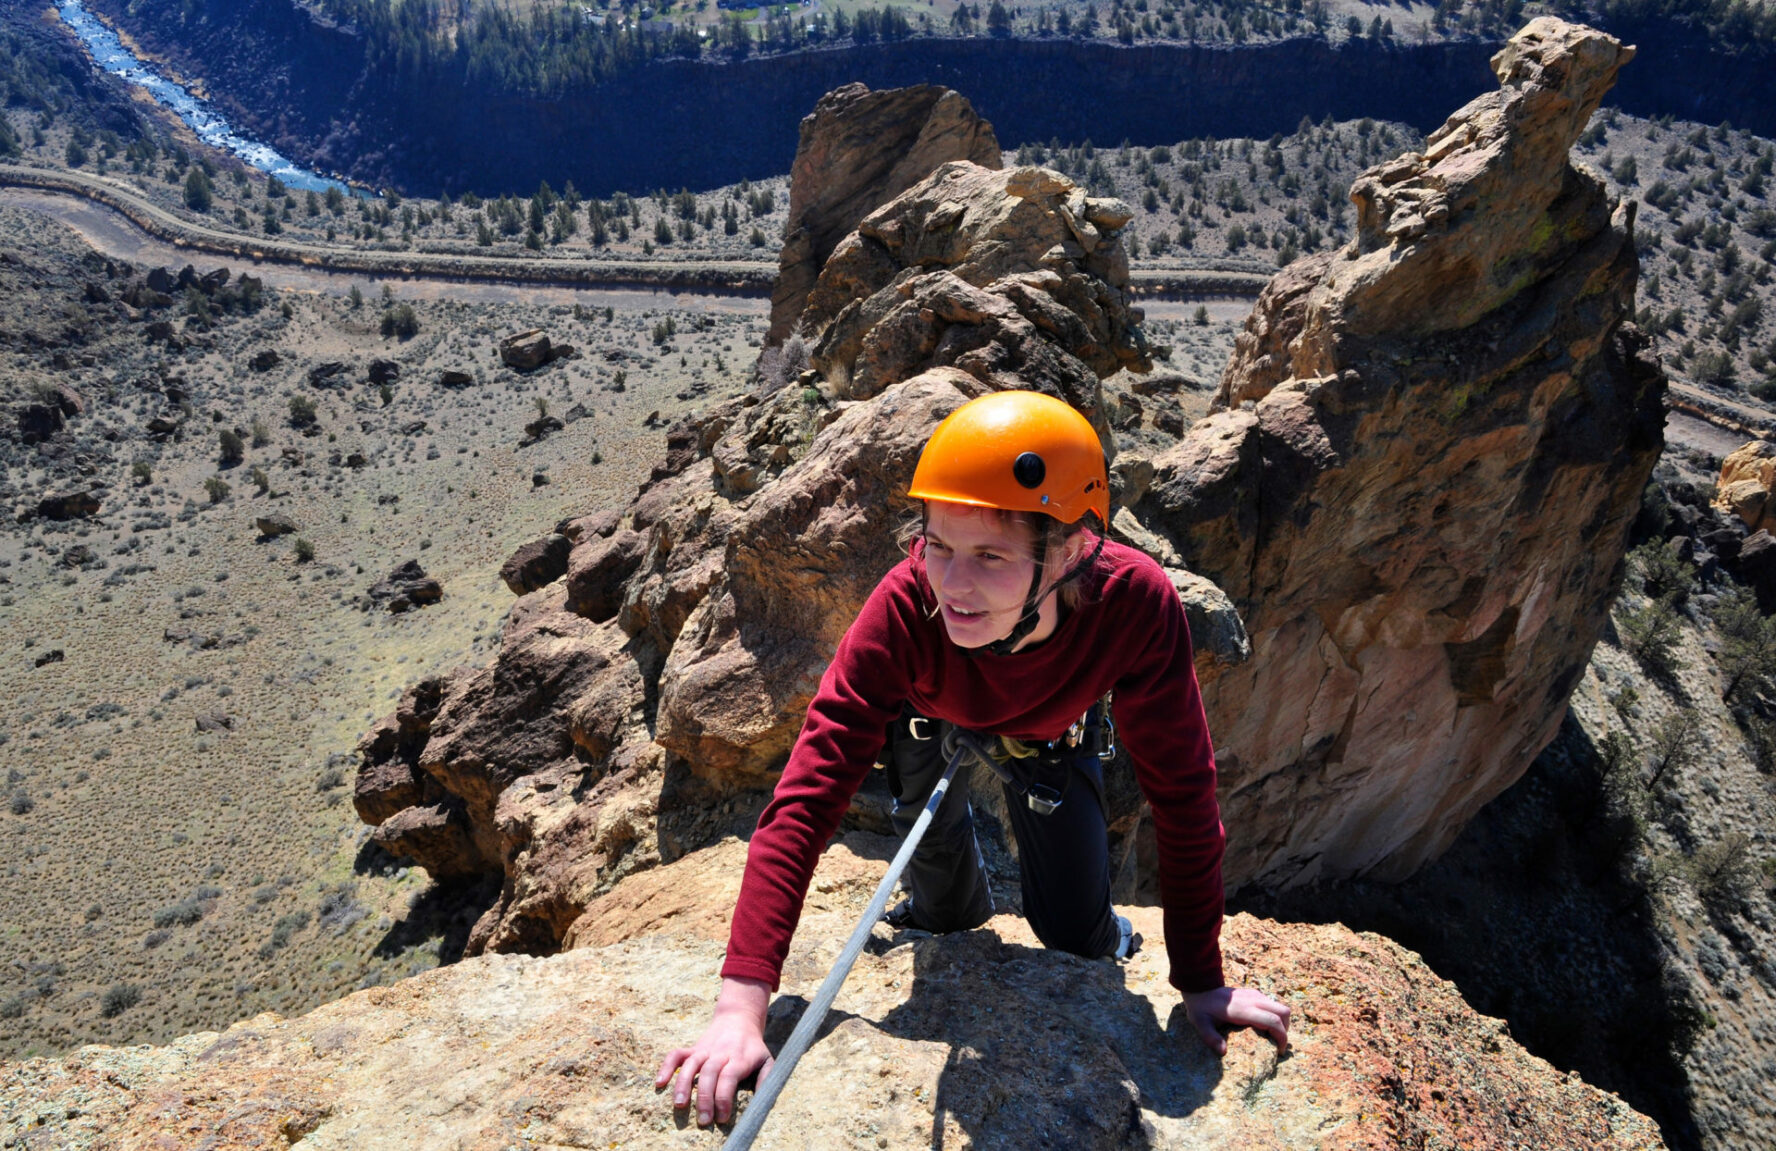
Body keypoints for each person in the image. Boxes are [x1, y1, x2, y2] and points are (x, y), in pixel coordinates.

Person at [657, 390, 1291, 1127]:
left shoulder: (1131, 605)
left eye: (991, 555)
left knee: (1078, 939)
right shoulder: (904, 609)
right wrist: (741, 1006)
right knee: (946, 915)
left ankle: (1099, 928)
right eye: (939, 546)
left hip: (1050, 732)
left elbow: (1183, 791)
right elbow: (807, 796)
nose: (953, 586)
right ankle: (938, 906)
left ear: (1074, 549)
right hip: (929, 716)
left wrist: (1200, 980)